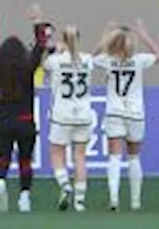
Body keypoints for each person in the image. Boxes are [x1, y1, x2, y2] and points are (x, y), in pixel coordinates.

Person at [0, 3, 49, 214]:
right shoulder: (28, 67)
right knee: (24, 159)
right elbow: (41, 47)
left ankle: (0, 181)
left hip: (3, 121)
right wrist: (37, 21)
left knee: (3, 155)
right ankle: (24, 196)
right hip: (25, 120)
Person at [93, 18, 159, 212]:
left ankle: (114, 198)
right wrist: (144, 34)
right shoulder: (139, 60)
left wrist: (105, 33)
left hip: (115, 112)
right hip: (135, 114)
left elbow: (91, 57)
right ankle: (135, 201)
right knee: (134, 157)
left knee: (114, 157)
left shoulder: (108, 61)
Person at [43, 22, 94, 212]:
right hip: (83, 114)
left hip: (61, 115)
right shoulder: (88, 59)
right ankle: (80, 201)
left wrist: (53, 49)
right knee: (80, 156)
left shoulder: (56, 61)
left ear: (63, 40)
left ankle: (65, 184)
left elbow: (42, 63)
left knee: (57, 154)